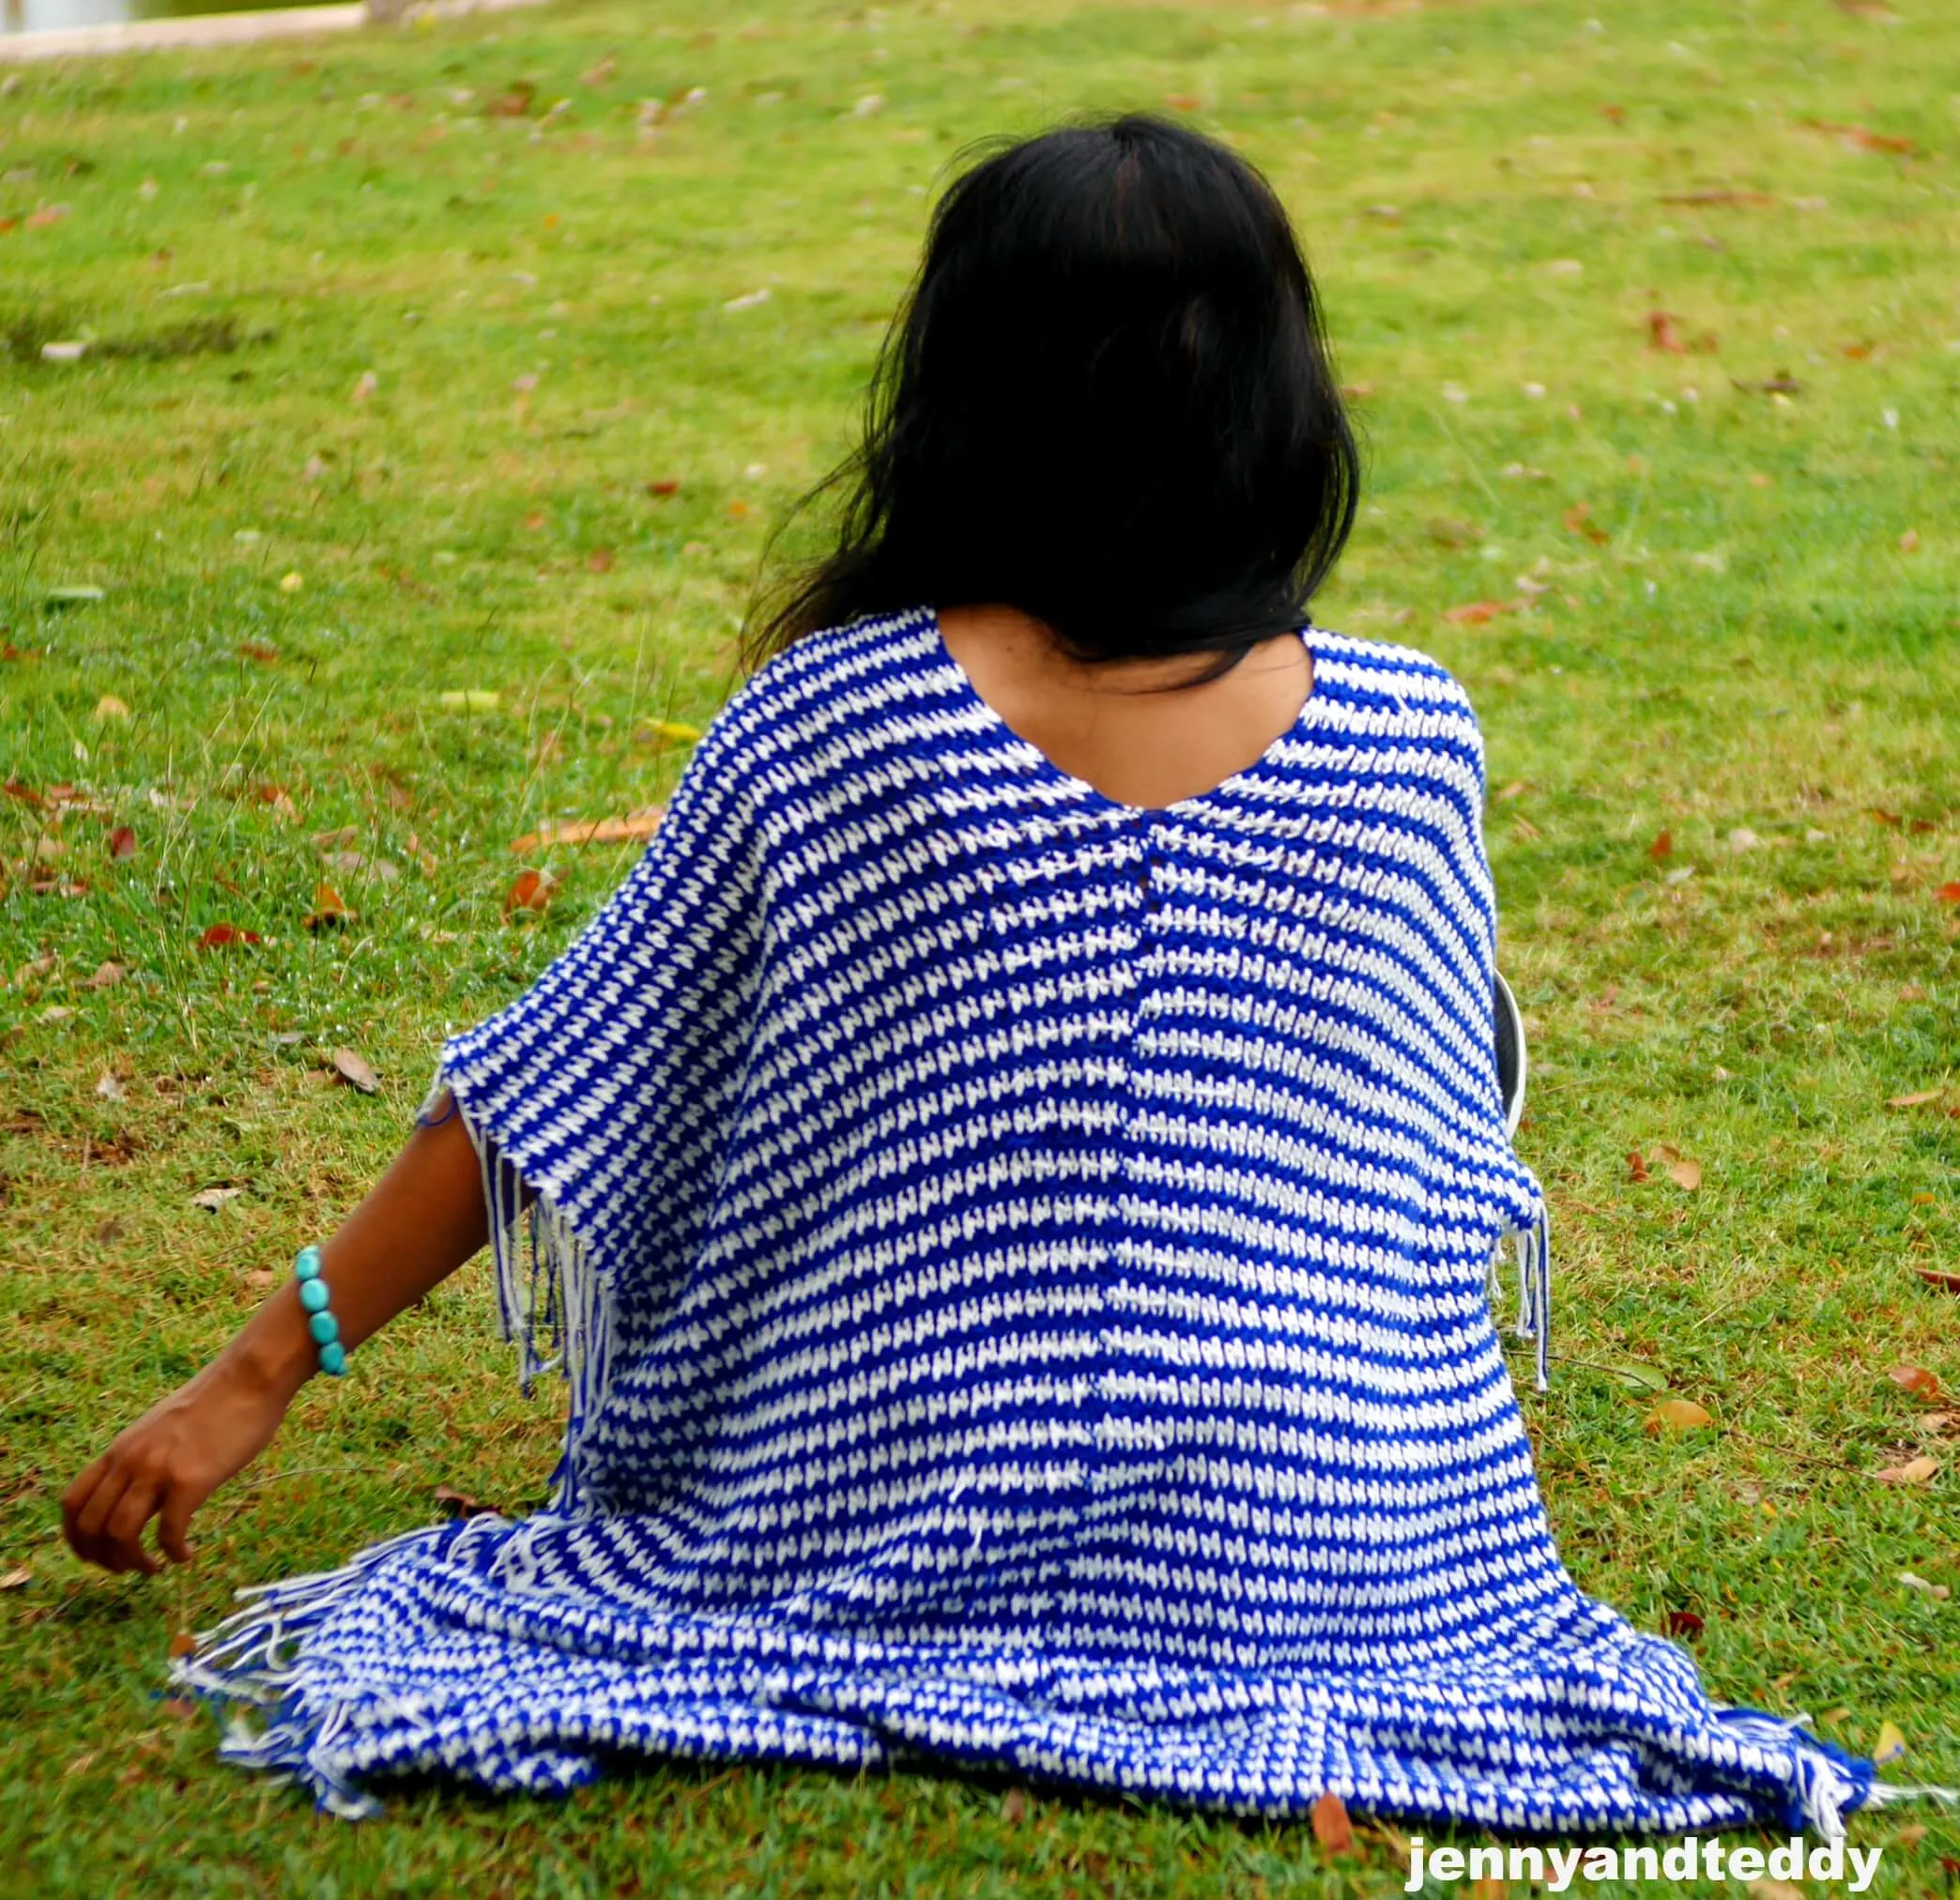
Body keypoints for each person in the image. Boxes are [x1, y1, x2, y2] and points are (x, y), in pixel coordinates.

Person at [62, 115, 1898, 1836]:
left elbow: (564, 1096)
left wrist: (252, 1372)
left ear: (956, 390)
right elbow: (1423, 1180)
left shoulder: (839, 720)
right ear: (1281, 401)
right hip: (1332, 1536)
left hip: (864, 1499)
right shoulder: (1409, 736)